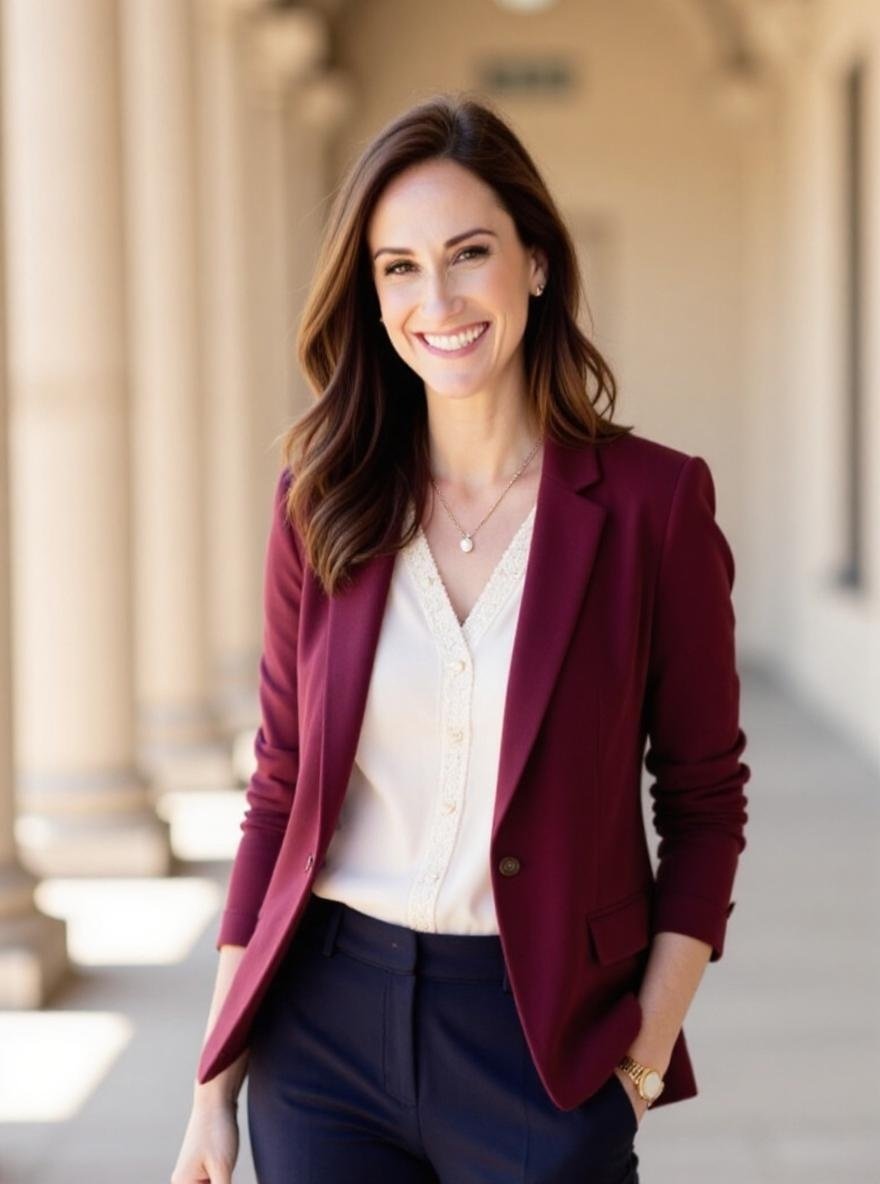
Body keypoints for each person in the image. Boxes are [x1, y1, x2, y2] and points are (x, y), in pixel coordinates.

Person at [171, 92, 750, 1184]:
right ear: (370, 290)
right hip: (324, 1029)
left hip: (537, 1035)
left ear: (535, 262)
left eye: (467, 253)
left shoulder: (651, 505)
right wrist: (216, 1081)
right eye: (396, 266)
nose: (434, 298)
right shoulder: (323, 499)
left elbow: (705, 799)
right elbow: (280, 786)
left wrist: (643, 1044)